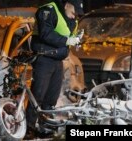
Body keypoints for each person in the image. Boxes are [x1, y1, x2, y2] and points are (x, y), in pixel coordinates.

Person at [24, 0, 84, 139]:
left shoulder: (71, 19)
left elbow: (67, 35)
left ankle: (45, 127)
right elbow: (46, 33)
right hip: (44, 59)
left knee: (51, 98)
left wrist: (75, 40)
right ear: (68, 4)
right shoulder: (48, 10)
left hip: (57, 61)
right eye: (74, 12)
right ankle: (29, 129)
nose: (75, 16)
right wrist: (66, 41)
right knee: (37, 95)